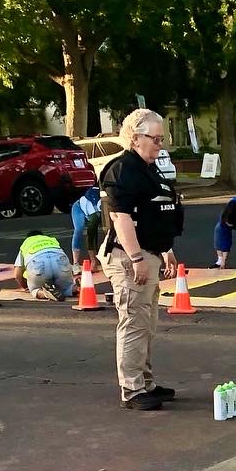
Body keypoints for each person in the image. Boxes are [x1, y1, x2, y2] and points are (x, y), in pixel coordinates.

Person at [97, 107, 182, 411]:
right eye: (155, 139)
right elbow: (120, 217)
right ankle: (132, 389)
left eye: (162, 139)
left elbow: (156, 213)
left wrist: (165, 249)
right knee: (134, 321)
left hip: (150, 252)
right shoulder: (123, 169)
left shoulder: (148, 168)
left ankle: (145, 383)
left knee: (147, 323)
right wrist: (136, 258)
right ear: (135, 138)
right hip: (128, 254)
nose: (161, 145)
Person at [13, 229, 75, 300]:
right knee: (67, 288)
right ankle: (76, 288)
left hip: (38, 264)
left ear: (28, 237)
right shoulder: (51, 240)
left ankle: (46, 293)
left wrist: (25, 286)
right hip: (59, 261)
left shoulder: (26, 243)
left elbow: (17, 274)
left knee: (35, 290)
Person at [70, 184, 100, 264]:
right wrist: (93, 260)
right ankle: (75, 263)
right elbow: (90, 236)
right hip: (78, 207)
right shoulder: (95, 215)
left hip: (94, 209)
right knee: (79, 229)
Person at [213, 194, 236, 268]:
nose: (230, 226)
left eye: (231, 224)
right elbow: (225, 240)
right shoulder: (224, 215)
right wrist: (223, 260)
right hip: (235, 217)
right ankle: (219, 260)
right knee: (219, 229)